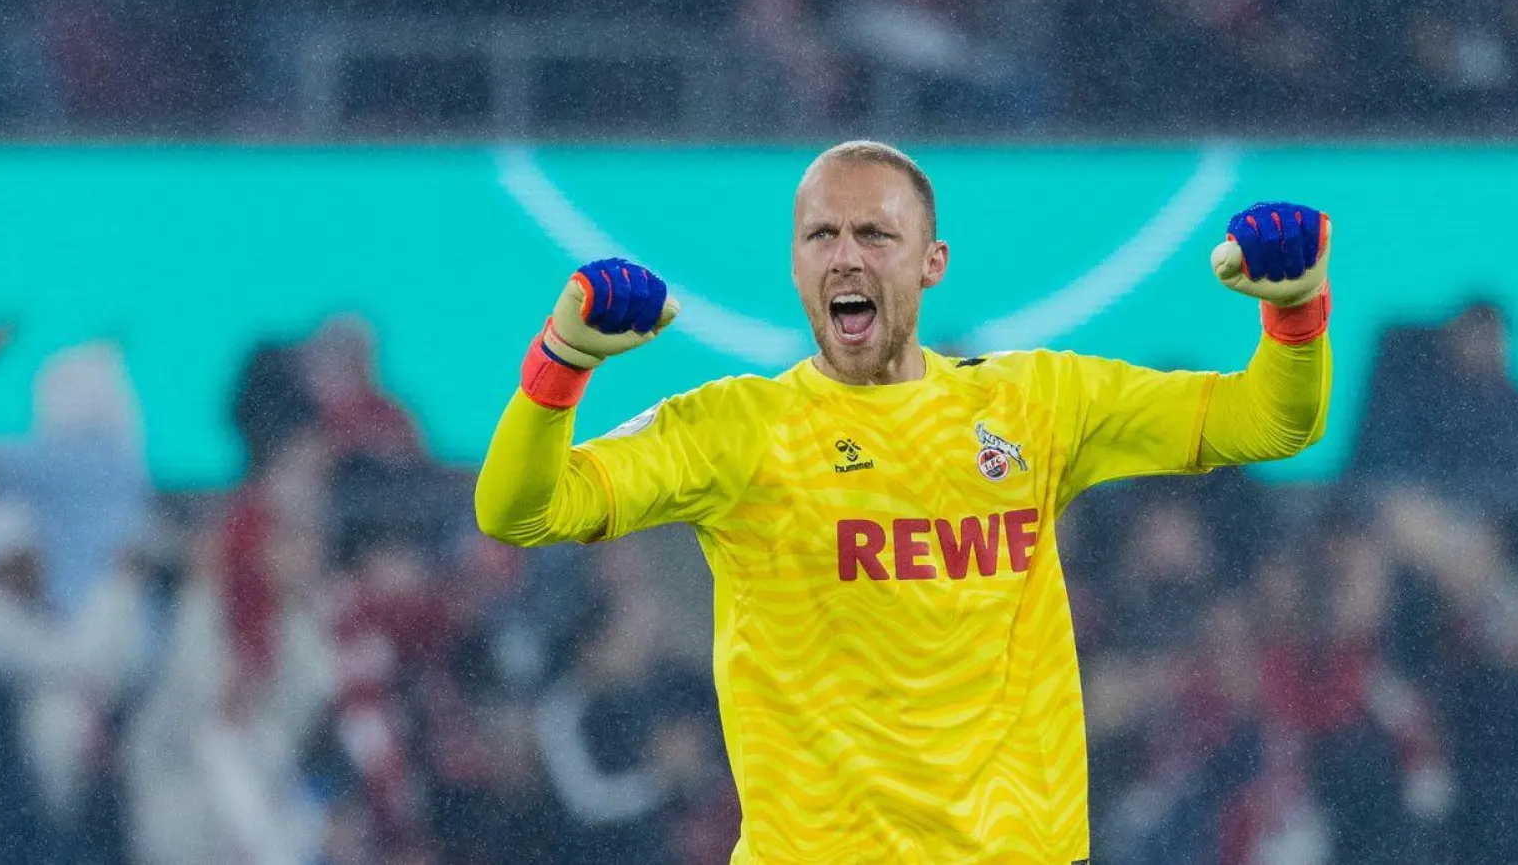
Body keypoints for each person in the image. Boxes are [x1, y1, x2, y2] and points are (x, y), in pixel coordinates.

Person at [474, 140, 1333, 863]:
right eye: (821, 234)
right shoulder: (738, 429)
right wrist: (562, 362)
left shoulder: (1038, 403)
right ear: (797, 261)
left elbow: (1267, 421)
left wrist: (1295, 313)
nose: (845, 254)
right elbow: (521, 511)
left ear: (933, 263)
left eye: (875, 234)